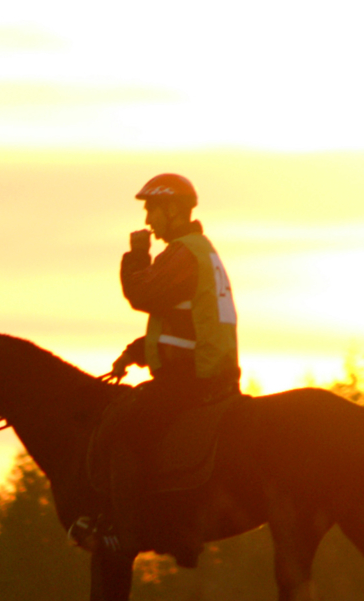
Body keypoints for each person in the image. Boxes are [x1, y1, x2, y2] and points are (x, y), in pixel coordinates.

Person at [72, 173, 240, 557]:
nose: (148, 221)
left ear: (173, 211)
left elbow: (142, 293)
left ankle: (126, 533)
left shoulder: (183, 252)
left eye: (152, 210)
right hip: (208, 369)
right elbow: (179, 322)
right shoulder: (200, 252)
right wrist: (136, 353)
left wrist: (136, 255)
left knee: (124, 428)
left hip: (195, 377)